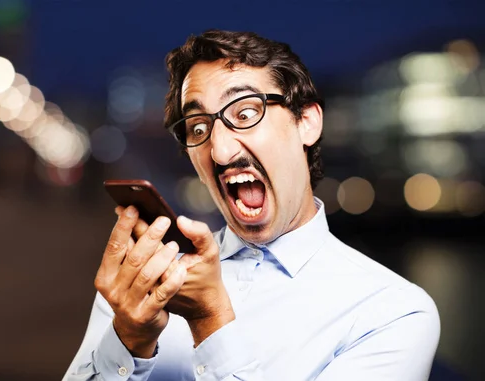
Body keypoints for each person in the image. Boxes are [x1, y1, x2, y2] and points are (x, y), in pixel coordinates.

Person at [63, 30, 440, 380]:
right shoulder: (142, 280)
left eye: (245, 114)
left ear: (306, 122)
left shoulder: (394, 312)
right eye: (198, 127)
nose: (221, 150)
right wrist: (129, 337)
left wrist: (210, 318)